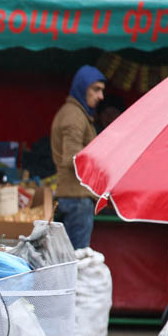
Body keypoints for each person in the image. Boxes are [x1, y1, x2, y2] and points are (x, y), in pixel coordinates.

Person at [50, 65, 106, 249]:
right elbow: (72, 158)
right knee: (78, 262)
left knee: (66, 261)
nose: (100, 96)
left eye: (101, 91)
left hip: (71, 197)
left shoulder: (76, 114)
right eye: (96, 89)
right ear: (82, 87)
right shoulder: (75, 116)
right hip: (77, 200)